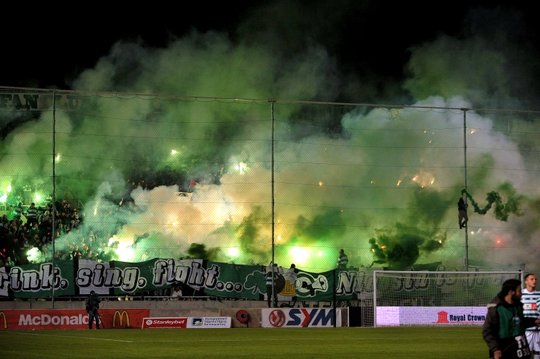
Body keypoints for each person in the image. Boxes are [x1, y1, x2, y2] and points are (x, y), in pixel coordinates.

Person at [482, 278, 540, 359]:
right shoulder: (496, 308)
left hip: (522, 349)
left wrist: (535, 321)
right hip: (505, 350)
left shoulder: (518, 306)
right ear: (511, 292)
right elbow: (487, 332)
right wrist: (495, 350)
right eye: (519, 291)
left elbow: (519, 322)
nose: (521, 294)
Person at [522, 273, 540, 359]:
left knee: (538, 354)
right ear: (526, 281)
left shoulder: (539, 295)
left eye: (535, 279)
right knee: (525, 354)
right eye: (532, 279)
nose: (535, 281)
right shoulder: (520, 295)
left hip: (538, 330)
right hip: (526, 330)